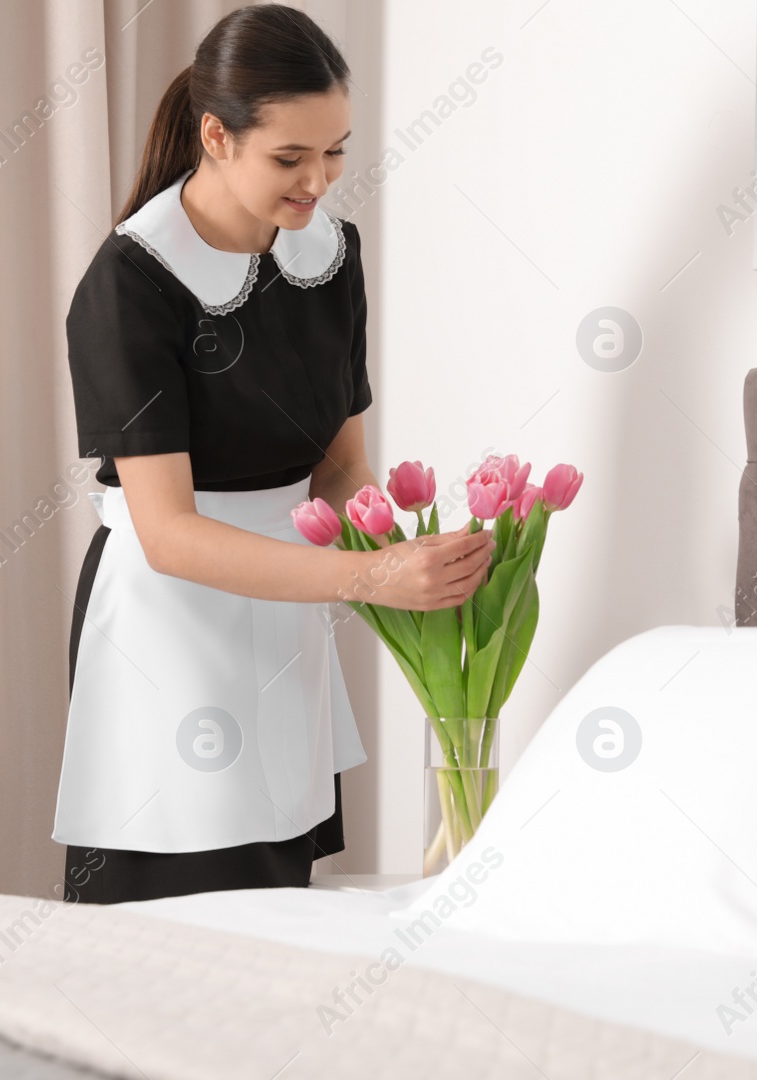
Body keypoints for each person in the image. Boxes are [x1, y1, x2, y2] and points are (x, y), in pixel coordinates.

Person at [53, 4, 494, 904]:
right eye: (289, 159)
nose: (320, 181)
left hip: (290, 613)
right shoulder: (132, 282)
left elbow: (337, 470)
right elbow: (170, 533)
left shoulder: (331, 258)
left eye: (334, 150)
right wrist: (371, 581)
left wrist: (414, 566)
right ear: (216, 135)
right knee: (169, 915)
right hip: (170, 626)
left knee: (274, 911)